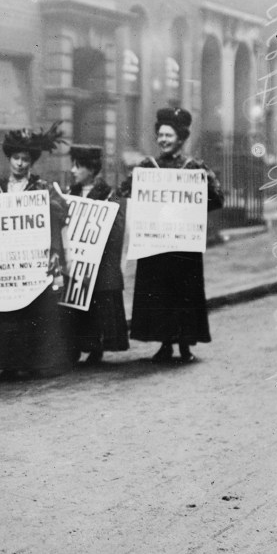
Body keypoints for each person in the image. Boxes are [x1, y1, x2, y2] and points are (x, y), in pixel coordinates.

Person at [118, 107, 224, 364]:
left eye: (169, 135)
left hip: (183, 244)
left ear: (180, 138)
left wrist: (196, 201)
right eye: (161, 135)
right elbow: (125, 190)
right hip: (155, 243)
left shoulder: (195, 168)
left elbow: (217, 199)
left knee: (183, 293)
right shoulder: (146, 167)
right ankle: (165, 343)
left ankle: (185, 344)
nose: (163, 140)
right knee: (160, 293)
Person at [0, 127, 75, 379]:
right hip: (6, 262)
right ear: (9, 159)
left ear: (31, 162)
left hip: (32, 261)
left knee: (32, 309)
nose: (20, 163)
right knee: (6, 309)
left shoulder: (42, 188)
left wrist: (46, 204)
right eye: (16, 158)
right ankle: (6, 361)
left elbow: (61, 212)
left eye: (25, 159)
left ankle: (33, 360)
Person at [65, 144, 129, 365]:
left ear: (91, 170)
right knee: (72, 303)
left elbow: (116, 228)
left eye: (78, 166)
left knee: (95, 304)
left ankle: (95, 347)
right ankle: (74, 346)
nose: (73, 171)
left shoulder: (108, 194)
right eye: (73, 165)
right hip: (75, 259)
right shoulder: (69, 192)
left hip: (97, 262)